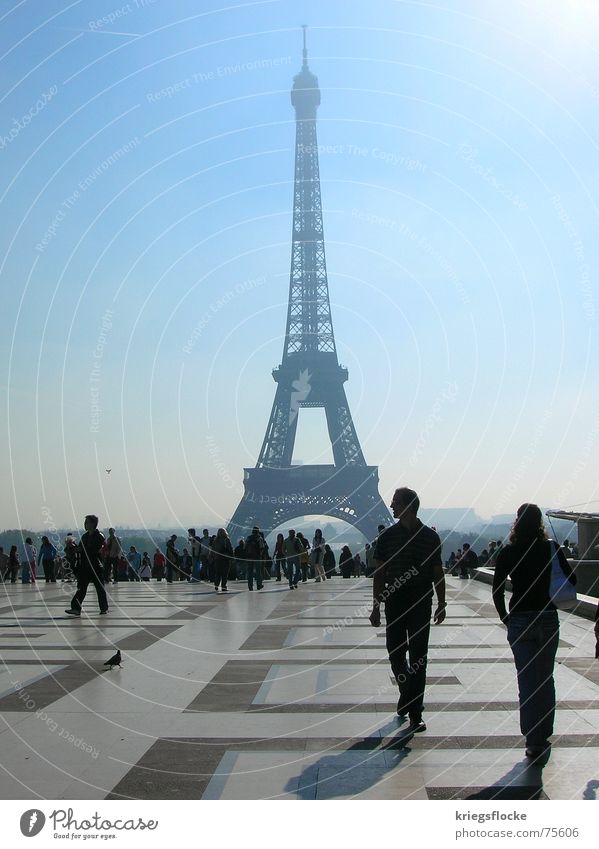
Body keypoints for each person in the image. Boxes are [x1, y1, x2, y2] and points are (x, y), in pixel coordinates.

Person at [492, 503, 576, 762]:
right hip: (548, 618)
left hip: (520, 619)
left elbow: (496, 589)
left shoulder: (508, 551)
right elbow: (571, 580)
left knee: (527, 682)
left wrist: (504, 617)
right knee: (546, 679)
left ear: (516, 522)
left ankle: (532, 739)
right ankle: (545, 731)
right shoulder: (551, 548)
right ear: (540, 522)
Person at [369, 487, 446, 736]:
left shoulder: (430, 538)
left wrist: (442, 603)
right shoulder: (387, 537)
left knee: (418, 658)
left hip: (420, 600)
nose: (391, 506)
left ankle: (416, 713)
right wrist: (376, 606)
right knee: (395, 652)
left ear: (408, 506)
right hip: (395, 600)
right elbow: (379, 573)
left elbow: (437, 573)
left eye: (395, 502)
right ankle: (407, 691)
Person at [65, 515, 108, 616]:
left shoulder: (99, 536)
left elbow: (93, 549)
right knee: (81, 588)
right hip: (85, 566)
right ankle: (76, 608)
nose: (85, 524)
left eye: (87, 522)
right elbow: (80, 548)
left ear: (93, 524)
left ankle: (103, 608)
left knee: (100, 588)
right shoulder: (84, 536)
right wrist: (72, 546)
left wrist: (81, 549)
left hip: (96, 565)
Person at [245, 527, 264, 591]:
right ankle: (259, 585)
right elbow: (262, 548)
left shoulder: (248, 538)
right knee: (258, 571)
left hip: (249, 557)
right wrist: (260, 555)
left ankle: (250, 586)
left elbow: (245, 547)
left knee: (250, 572)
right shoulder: (259, 538)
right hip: (257, 557)